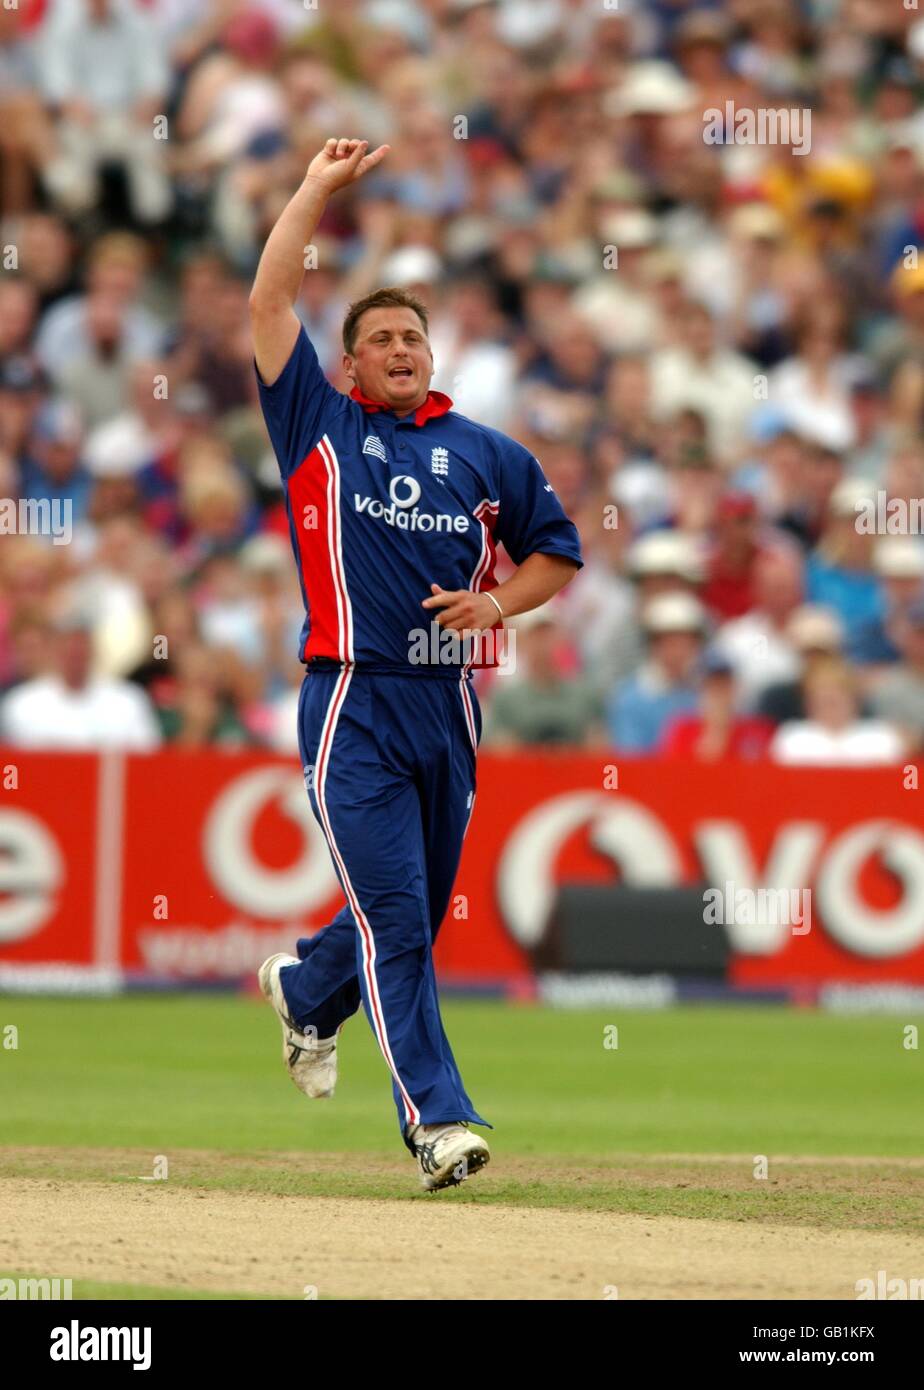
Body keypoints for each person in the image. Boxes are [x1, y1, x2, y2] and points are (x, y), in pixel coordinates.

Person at [248, 137, 582, 1191]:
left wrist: (497, 601)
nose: (400, 349)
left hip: (450, 701)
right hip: (352, 697)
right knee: (400, 920)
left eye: (413, 338)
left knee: (415, 912)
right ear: (348, 365)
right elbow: (266, 305)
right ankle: (437, 1120)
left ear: (431, 359)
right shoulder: (319, 427)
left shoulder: (489, 452)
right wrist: (313, 190)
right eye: (380, 338)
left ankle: (307, 990)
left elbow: (556, 552)